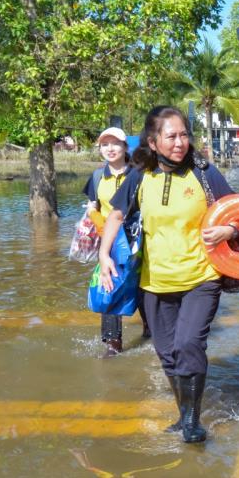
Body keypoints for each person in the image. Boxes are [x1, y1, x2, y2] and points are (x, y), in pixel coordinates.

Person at [98, 106, 239, 444]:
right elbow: (117, 214)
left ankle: (191, 421)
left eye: (184, 135)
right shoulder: (139, 175)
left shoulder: (204, 173)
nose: (180, 142)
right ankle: (183, 413)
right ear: (153, 140)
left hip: (201, 278)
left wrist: (229, 229)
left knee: (189, 344)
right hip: (154, 283)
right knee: (167, 353)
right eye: (172, 136)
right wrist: (104, 255)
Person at [83, 127, 149, 357]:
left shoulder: (140, 174)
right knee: (109, 284)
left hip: (138, 239)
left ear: (125, 147)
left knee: (142, 285)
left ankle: (150, 330)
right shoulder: (97, 176)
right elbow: (94, 205)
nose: (110, 149)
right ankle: (113, 344)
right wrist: (91, 215)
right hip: (110, 240)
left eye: (115, 144)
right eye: (105, 144)